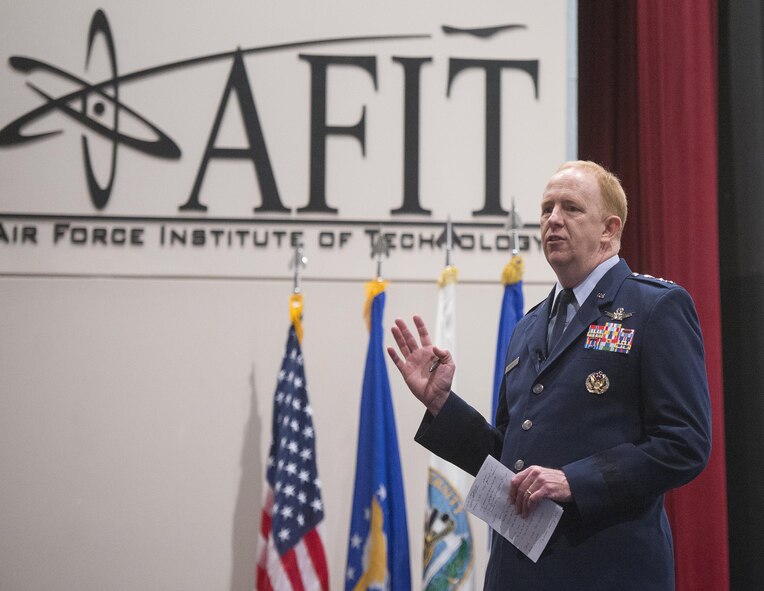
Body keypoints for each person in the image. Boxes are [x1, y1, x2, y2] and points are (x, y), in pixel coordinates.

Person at [387, 161, 711, 590]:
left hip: (606, 571)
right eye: (546, 209)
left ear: (609, 230)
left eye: (571, 208)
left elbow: (684, 443)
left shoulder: (653, 308)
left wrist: (573, 481)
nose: (552, 220)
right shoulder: (528, 327)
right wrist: (441, 405)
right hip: (518, 571)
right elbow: (509, 462)